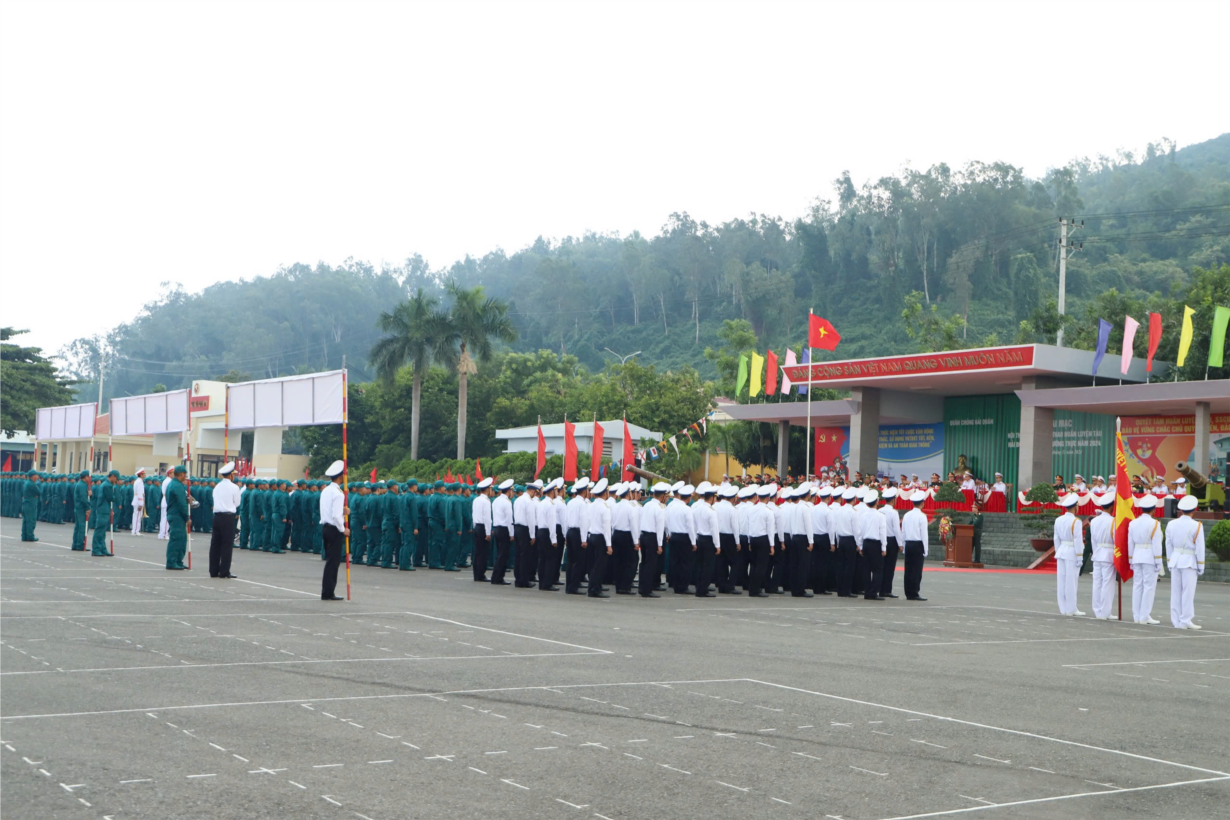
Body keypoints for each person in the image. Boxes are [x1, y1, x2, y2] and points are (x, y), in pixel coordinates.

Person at [1167, 495, 1204, 630]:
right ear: (1194, 510)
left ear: (1181, 510)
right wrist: (1201, 565)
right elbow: (1200, 547)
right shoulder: (1196, 525)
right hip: (1189, 561)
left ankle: (1176, 620)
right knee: (1187, 592)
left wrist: (1170, 561)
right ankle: (1185, 620)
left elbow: (1168, 544)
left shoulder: (1171, 524)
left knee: (1176, 591)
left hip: (1175, 560)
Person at [1129, 495, 1164, 625]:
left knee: (1137, 585)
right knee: (1149, 586)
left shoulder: (1133, 523)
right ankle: (1144, 615)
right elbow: (1156, 544)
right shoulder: (1155, 523)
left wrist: (1130, 559)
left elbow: (1130, 542)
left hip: (1137, 556)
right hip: (1149, 556)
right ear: (1153, 510)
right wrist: (1158, 561)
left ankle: (1137, 615)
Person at [319, 460, 348, 600]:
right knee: (333, 562)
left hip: (325, 527)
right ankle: (328, 592)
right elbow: (336, 516)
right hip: (334, 529)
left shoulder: (326, 490)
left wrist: (343, 511)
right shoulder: (338, 493)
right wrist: (343, 530)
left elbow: (329, 511)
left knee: (330, 561)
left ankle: (327, 591)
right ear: (340, 477)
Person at [208, 462, 241, 578]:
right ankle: (224, 571)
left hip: (216, 517)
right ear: (231, 475)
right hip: (228, 517)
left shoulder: (217, 486)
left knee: (215, 544)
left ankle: (213, 571)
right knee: (227, 545)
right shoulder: (234, 487)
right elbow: (237, 503)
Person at [1053, 494, 1084, 616]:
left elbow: (1056, 539)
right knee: (1071, 581)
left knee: (1062, 581)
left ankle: (1063, 608)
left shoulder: (1058, 519)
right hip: (1071, 552)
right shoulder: (1076, 521)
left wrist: (1057, 552)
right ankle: (1071, 609)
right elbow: (1077, 540)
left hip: (1061, 551)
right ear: (1075, 507)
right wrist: (1080, 556)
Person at [1088, 494, 1116, 619]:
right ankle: (1105, 612)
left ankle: (1097, 610)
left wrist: (1095, 553)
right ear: (1111, 507)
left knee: (1097, 583)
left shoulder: (1094, 521)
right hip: (1108, 553)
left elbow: (1093, 540)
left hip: (1097, 553)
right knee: (1107, 584)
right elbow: (1116, 540)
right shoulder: (1113, 521)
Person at [638, 483, 667, 598]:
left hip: (644, 535)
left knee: (644, 563)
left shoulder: (646, 505)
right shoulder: (660, 508)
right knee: (651, 565)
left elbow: (641, 521)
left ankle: (642, 587)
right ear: (662, 496)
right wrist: (660, 544)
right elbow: (660, 528)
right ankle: (647, 589)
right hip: (652, 538)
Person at [900, 491, 929, 600]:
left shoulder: (907, 515)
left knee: (908, 569)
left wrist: (903, 545)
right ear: (922, 503)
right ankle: (914, 592)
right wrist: (925, 549)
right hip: (918, 544)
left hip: (908, 543)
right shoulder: (922, 516)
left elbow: (903, 531)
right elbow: (924, 535)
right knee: (916, 570)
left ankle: (908, 592)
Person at [563, 478, 589, 594]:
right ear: (584, 491)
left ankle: (569, 586)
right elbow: (584, 522)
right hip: (578, 533)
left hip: (570, 532)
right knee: (579, 562)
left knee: (570, 561)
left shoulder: (571, 502)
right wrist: (584, 539)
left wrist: (565, 535)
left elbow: (566, 520)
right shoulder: (582, 504)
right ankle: (574, 587)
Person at [692, 483, 719, 598]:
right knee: (708, 566)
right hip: (708, 540)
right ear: (712, 498)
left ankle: (699, 587)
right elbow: (714, 530)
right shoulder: (711, 511)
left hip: (699, 538)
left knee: (699, 565)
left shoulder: (697, 509)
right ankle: (703, 589)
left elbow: (693, 526)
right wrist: (717, 545)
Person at [859, 489, 886, 600]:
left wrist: (860, 546)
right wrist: (884, 547)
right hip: (876, 544)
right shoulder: (880, 516)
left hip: (866, 543)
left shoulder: (863, 515)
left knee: (866, 569)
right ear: (877, 501)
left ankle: (867, 592)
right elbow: (882, 533)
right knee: (877, 570)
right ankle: (873, 592)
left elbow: (860, 532)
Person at [165, 465, 190, 570]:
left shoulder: (173, 484)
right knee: (176, 539)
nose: (186, 476)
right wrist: (187, 517)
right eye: (185, 474)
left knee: (182, 539)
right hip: (177, 515)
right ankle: (171, 561)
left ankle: (178, 560)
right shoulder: (177, 485)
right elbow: (181, 504)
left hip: (175, 514)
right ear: (182, 474)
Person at [491, 479, 515, 585]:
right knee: (503, 555)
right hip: (504, 529)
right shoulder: (507, 502)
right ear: (509, 491)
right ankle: (498, 578)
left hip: (497, 528)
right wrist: (512, 533)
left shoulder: (496, 500)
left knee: (499, 554)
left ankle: (496, 576)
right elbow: (509, 520)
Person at [878, 488, 901, 597]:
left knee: (881, 566)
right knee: (890, 567)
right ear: (893, 500)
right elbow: (896, 529)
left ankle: (880, 589)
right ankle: (887, 590)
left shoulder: (879, 510)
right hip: (891, 540)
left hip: (880, 539)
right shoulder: (893, 512)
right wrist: (900, 544)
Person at [91, 470, 119, 556]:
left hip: (104, 509)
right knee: (100, 531)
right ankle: (96, 549)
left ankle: (102, 548)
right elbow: (111, 498)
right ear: (113, 476)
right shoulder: (108, 485)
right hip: (103, 510)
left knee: (102, 532)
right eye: (116, 478)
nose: (116, 480)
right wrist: (114, 495)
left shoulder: (106, 484)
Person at [471, 478, 493, 581]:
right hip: (483, 528)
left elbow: (474, 515)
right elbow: (487, 518)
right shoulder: (486, 501)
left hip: (477, 526)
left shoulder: (476, 499)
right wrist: (488, 533)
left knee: (477, 552)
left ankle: (476, 574)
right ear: (488, 489)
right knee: (483, 553)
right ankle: (481, 574)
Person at [399, 479, 420, 572]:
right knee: (409, 545)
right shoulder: (412, 497)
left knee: (404, 544)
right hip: (409, 524)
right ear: (414, 486)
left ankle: (402, 563)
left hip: (403, 523)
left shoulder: (403, 496)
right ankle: (406, 564)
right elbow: (414, 513)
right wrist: (415, 526)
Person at [20, 470, 41, 542]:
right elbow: (39, 492)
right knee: (31, 521)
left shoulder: (26, 483)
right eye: (36, 475)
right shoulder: (32, 484)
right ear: (33, 476)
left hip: (26, 504)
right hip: (30, 504)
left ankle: (24, 536)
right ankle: (30, 536)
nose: (37, 477)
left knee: (26, 521)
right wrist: (36, 495)